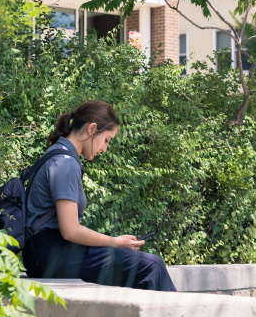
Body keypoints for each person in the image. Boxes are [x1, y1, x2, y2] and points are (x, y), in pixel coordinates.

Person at [22, 100, 176, 292]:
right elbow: (71, 231)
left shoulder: (57, 154)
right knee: (152, 266)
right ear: (92, 129)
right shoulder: (65, 163)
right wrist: (116, 242)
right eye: (107, 140)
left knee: (142, 267)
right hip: (50, 255)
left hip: (44, 254)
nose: (105, 149)